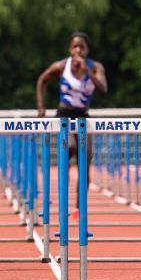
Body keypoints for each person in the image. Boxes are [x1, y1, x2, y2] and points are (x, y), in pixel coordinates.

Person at [36, 32, 107, 211]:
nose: (78, 49)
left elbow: (103, 89)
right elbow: (41, 80)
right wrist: (41, 107)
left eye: (82, 46)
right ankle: (65, 167)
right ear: (70, 49)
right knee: (71, 147)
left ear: (87, 50)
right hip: (64, 115)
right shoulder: (61, 66)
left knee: (85, 161)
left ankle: (79, 206)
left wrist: (87, 71)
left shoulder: (95, 67)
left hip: (83, 116)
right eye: (75, 46)